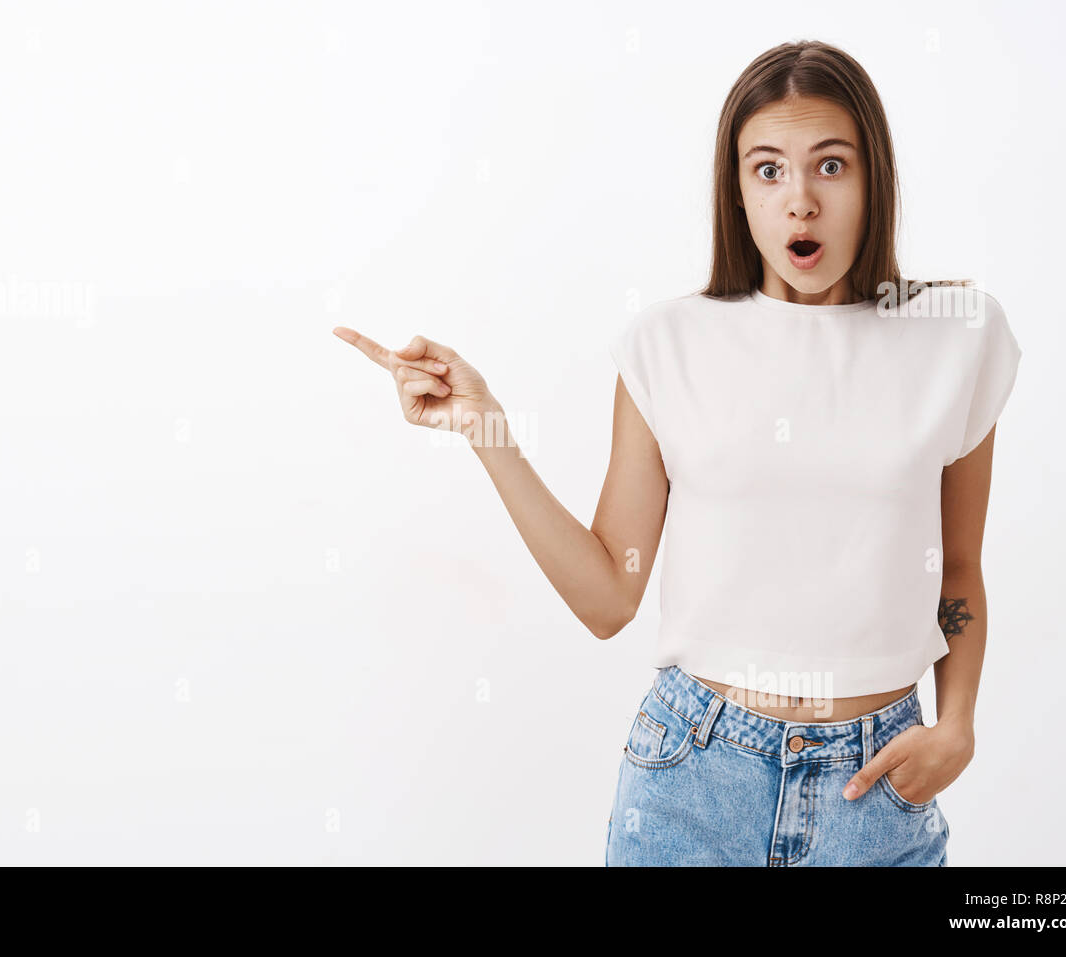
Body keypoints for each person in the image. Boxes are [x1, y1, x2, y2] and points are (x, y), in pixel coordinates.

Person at [333, 39, 1021, 866]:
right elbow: (608, 597)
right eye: (767, 170)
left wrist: (958, 726)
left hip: (876, 789)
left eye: (829, 166)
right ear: (736, 190)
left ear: (873, 177)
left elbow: (957, 571)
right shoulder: (669, 344)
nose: (799, 202)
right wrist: (489, 429)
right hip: (695, 778)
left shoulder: (954, 339)